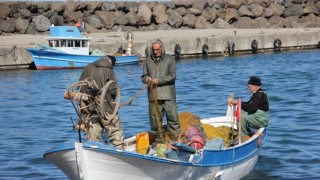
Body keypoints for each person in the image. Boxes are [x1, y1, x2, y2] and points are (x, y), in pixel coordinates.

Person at [79, 56, 125, 149]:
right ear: (111, 63)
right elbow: (113, 90)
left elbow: (81, 87)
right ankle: (120, 152)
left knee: (94, 137)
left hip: (90, 108)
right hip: (107, 108)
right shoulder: (109, 70)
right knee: (115, 133)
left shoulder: (87, 67)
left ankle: (95, 154)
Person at [141, 39, 180, 143]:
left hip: (168, 95)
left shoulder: (170, 59)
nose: (155, 52)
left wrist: (159, 81)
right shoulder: (147, 60)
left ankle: (175, 139)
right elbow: (143, 76)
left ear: (162, 49)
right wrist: (147, 79)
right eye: (153, 50)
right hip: (153, 96)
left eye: (157, 49)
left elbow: (173, 76)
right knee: (155, 121)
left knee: (173, 119)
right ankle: (159, 141)